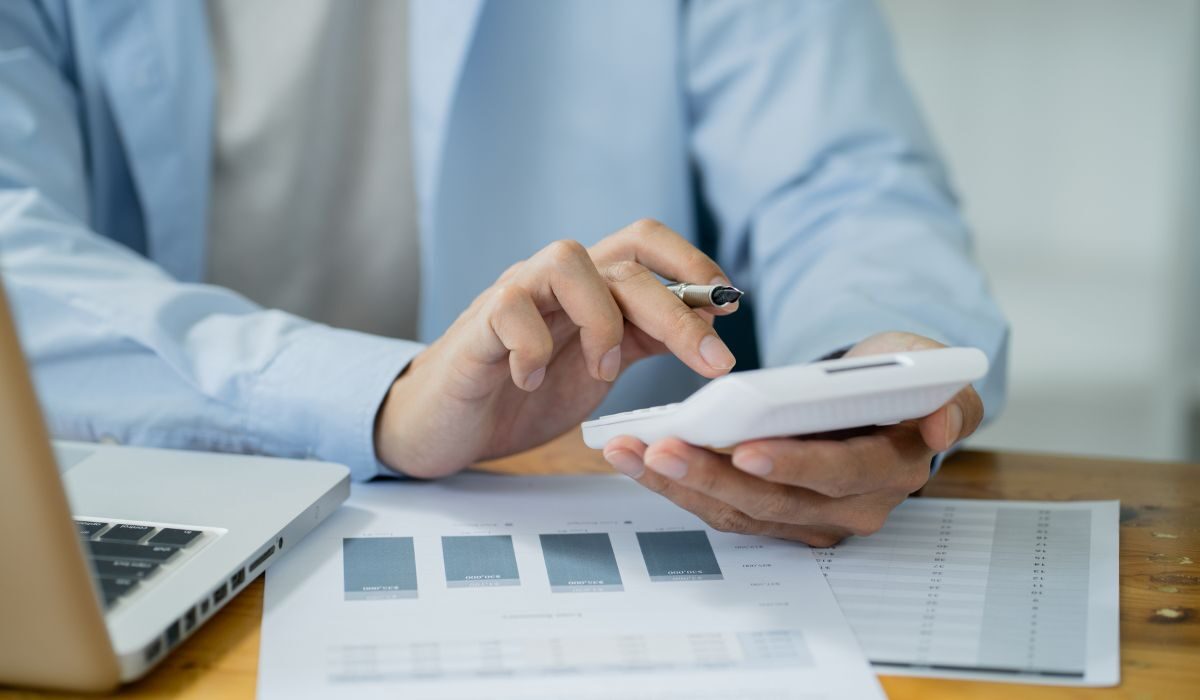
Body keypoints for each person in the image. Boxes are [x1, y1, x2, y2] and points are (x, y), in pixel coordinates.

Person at [0, 0, 1007, 546]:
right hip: (167, 514)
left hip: (627, 535)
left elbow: (847, 177)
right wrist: (388, 402)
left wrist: (873, 368)